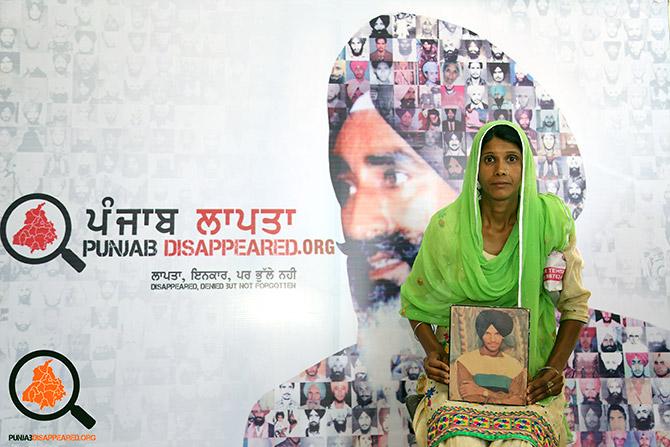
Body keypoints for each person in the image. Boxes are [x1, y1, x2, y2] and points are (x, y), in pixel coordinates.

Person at [401, 121, 590, 446]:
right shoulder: (447, 228)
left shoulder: (550, 223)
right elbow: (417, 303)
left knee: (520, 443)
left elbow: (574, 306)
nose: (501, 169)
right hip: (458, 379)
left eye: (511, 159)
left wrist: (554, 370)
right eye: (489, 159)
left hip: (530, 379)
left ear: (525, 164)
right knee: (459, 440)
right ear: (475, 167)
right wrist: (434, 353)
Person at [450, 309, 526, 405]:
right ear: (481, 335)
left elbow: (518, 400)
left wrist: (482, 391)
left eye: (497, 334)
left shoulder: (515, 365)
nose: (493, 339)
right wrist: (504, 398)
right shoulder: (465, 361)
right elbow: (470, 398)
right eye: (487, 333)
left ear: (503, 336)